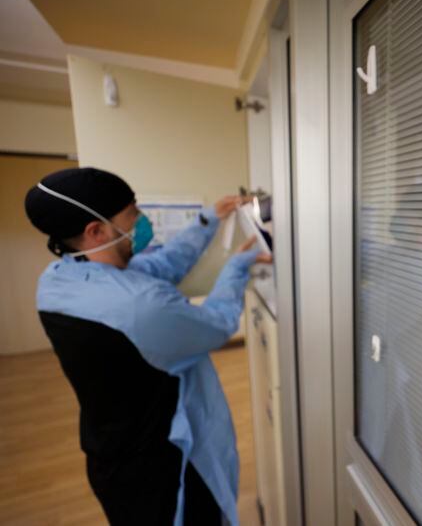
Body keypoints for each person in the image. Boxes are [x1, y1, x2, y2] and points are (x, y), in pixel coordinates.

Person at [23, 167, 270, 526]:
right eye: (132, 215)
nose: (142, 221)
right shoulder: (140, 306)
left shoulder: (58, 281)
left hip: (107, 453)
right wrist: (237, 267)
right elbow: (215, 324)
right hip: (162, 466)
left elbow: (159, 266)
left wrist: (208, 221)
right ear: (96, 231)